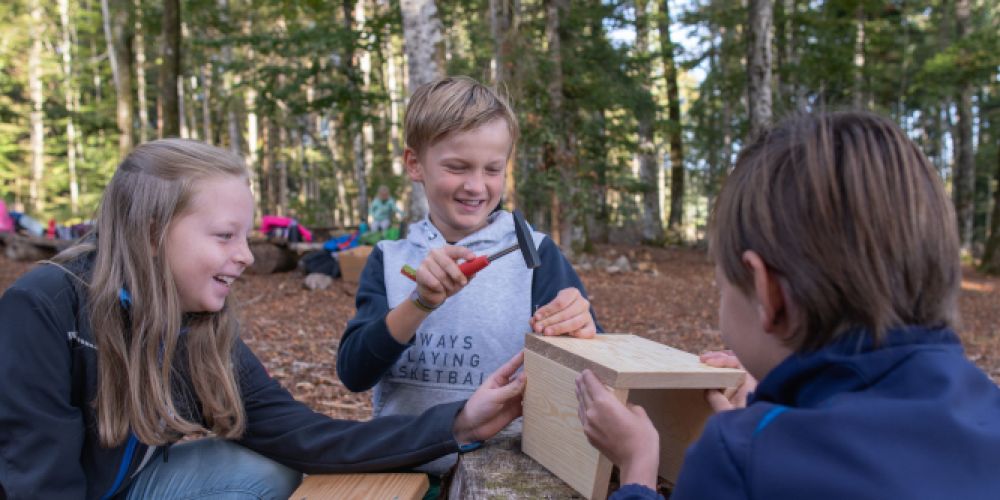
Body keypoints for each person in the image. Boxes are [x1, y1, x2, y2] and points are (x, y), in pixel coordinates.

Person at [0, 138, 526, 499]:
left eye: (246, 237)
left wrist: (460, 423)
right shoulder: (44, 308)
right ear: (153, 232)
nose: (247, 257)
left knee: (268, 471)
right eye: (225, 236)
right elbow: (39, 483)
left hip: (132, 484)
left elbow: (304, 437)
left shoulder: (194, 324)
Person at [575, 111, 1000, 499]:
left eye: (722, 287)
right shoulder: (988, 410)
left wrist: (637, 468)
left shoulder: (739, 461)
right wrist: (777, 406)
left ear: (768, 293)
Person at [337, 76, 599, 474]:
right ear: (414, 164)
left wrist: (582, 328)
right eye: (457, 167)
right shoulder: (391, 260)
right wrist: (419, 303)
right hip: (406, 470)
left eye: (493, 169)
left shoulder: (537, 254)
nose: (476, 186)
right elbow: (354, 373)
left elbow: (589, 373)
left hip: (510, 476)